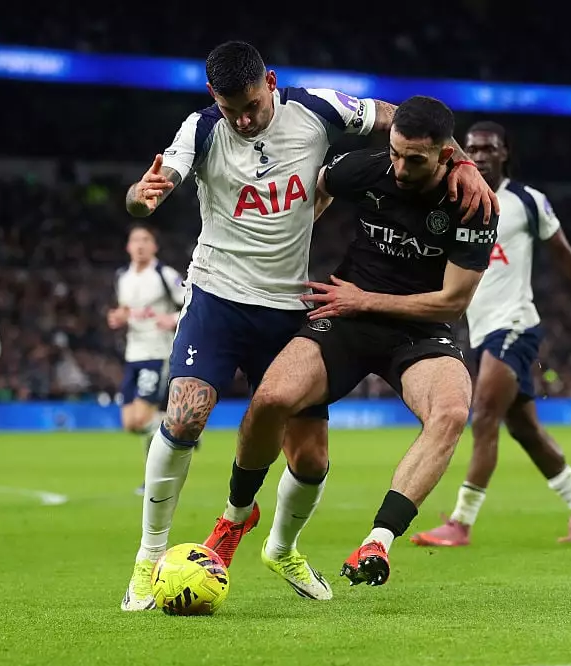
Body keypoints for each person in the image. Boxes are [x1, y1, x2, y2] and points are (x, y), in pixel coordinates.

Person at [120, 42, 498, 611]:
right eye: (231, 110)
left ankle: (282, 547)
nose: (243, 120)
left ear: (270, 82)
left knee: (312, 459)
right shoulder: (200, 131)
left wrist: (462, 158)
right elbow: (154, 184)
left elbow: (395, 115)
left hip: (293, 304)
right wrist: (140, 199)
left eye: (250, 105)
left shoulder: (319, 110)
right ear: (212, 100)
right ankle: (149, 559)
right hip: (220, 296)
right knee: (187, 411)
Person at [203, 95, 496, 593]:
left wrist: (367, 299)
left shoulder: (472, 204)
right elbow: (318, 187)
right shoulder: (369, 168)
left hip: (418, 325)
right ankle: (235, 517)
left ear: (446, 156)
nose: (399, 167)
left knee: (450, 411)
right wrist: (288, 248)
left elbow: (450, 303)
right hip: (346, 315)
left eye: (415, 160)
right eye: (396, 152)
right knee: (271, 398)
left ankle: (378, 539)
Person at [410, 121, 571, 548]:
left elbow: (565, 255)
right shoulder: (453, 199)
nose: (480, 155)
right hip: (479, 331)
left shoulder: (526, 201)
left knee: (483, 416)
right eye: (472, 148)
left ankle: (461, 522)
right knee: (525, 430)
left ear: (505, 154)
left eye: (489, 148)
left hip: (514, 324)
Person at [106, 225, 185, 495]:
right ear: (128, 246)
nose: (140, 245)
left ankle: (153, 476)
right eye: (135, 240)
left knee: (141, 420)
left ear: (155, 246)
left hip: (157, 354)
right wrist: (119, 316)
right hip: (132, 355)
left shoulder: (165, 274)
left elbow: (192, 301)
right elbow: (127, 309)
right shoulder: (122, 277)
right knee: (130, 424)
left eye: (145, 240)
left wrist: (172, 319)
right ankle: (177, 426)